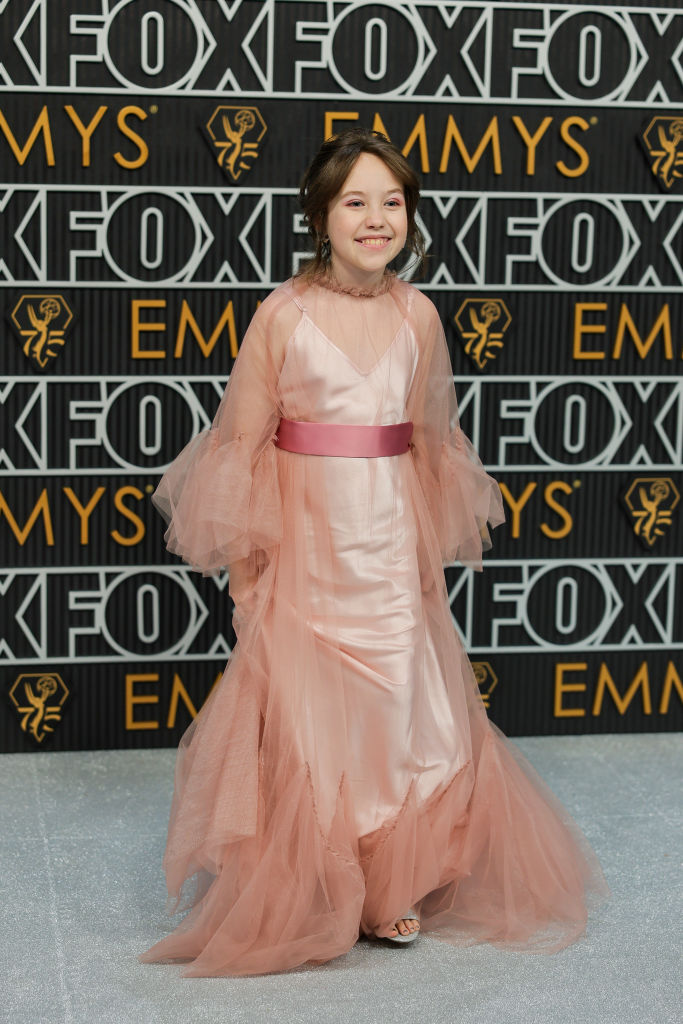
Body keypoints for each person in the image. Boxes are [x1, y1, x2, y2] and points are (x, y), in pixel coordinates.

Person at [139, 129, 608, 978]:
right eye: (355, 201)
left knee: (397, 712)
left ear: (410, 219)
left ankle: (389, 884)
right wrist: (249, 571)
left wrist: (427, 557)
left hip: (389, 547)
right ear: (321, 215)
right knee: (311, 725)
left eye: (392, 202)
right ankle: (324, 880)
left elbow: (431, 443)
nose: (375, 218)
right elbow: (241, 446)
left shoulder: (416, 314)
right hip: (308, 548)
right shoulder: (282, 314)